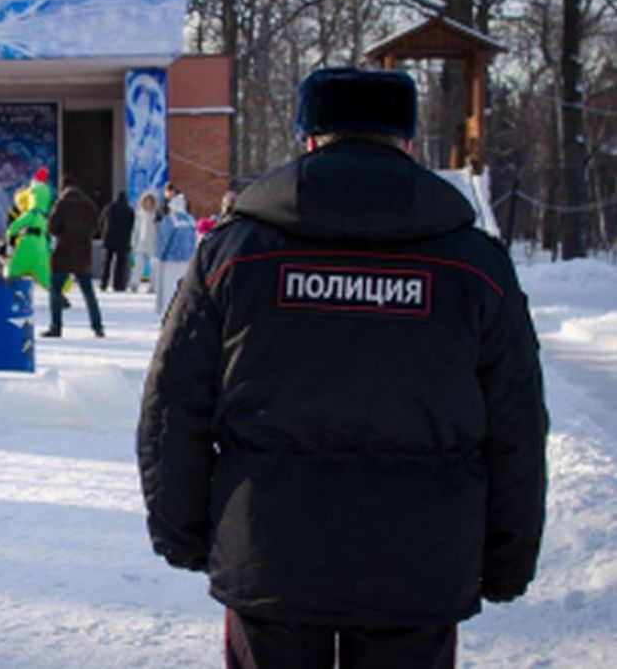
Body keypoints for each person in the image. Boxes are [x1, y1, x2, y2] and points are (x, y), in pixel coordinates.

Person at [137, 67, 548, 669]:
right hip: (419, 562)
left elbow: (174, 404)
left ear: (308, 139)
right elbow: (516, 421)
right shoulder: (473, 263)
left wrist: (184, 530)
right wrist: (508, 556)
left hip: (271, 550)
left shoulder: (235, 253)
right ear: (407, 142)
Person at [43, 179, 105, 338]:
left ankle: (56, 327)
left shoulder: (62, 204)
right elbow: (96, 229)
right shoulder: (89, 205)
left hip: (63, 253)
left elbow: (51, 227)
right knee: (88, 292)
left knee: (55, 288)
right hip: (83, 254)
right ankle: (97, 326)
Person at [4, 166, 53, 290]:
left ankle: (6, 293)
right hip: (41, 245)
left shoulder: (32, 213)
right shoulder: (44, 217)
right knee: (44, 274)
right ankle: (56, 295)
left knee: (12, 268)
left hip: (28, 244)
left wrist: (11, 235)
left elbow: (13, 227)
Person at [153, 192, 196, 318]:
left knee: (169, 289)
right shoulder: (191, 220)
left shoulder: (170, 220)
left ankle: (169, 312)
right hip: (187, 259)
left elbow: (164, 239)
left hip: (170, 260)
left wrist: (158, 256)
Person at [99, 190, 135, 291]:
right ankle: (118, 285)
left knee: (106, 263)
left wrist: (104, 233)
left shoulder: (109, 208)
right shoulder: (129, 210)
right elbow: (131, 226)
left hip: (109, 238)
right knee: (121, 264)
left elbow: (101, 221)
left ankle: (104, 283)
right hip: (123, 240)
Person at [129, 189, 159, 292]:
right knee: (137, 266)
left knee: (153, 267)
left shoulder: (156, 215)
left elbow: (159, 231)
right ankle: (134, 283)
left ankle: (153, 286)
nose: (148, 203)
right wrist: (133, 242)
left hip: (153, 244)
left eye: (150, 201)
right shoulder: (139, 215)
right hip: (141, 244)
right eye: (146, 201)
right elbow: (135, 230)